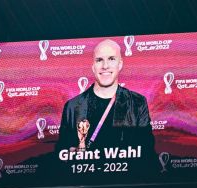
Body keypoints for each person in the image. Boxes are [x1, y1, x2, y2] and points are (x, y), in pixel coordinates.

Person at [55, 39, 157, 178]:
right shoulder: (73, 106)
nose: (105, 66)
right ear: (93, 67)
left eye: (111, 59)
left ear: (120, 64)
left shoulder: (137, 102)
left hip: (126, 187)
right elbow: (62, 157)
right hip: (86, 187)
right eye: (99, 60)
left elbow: (146, 152)